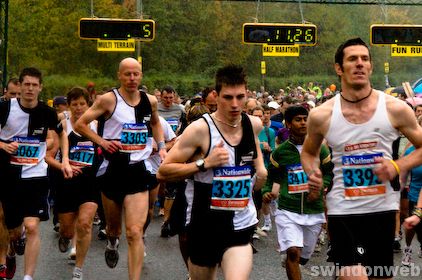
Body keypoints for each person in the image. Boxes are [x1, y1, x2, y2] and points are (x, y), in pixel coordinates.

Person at [301, 37, 422, 279]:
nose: (359, 64)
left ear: (370, 66)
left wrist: (398, 165)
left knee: (379, 275)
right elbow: (308, 152)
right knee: (353, 275)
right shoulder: (321, 115)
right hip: (342, 209)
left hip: (383, 209)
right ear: (339, 68)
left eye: (364, 59)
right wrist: (312, 172)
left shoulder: (394, 108)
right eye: (352, 59)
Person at [157, 65, 267, 280]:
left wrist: (261, 170)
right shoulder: (200, 130)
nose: (235, 104)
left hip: (241, 222)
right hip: (204, 223)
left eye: (240, 97)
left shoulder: (253, 124)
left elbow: (255, 152)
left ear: (247, 94)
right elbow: (163, 172)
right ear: (216, 95)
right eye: (228, 97)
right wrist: (204, 163)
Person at [75, 57, 166, 280]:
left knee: (135, 231)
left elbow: (155, 123)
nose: (132, 78)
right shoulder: (108, 100)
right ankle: (112, 242)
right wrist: (102, 142)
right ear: (119, 76)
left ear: (141, 75)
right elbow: (80, 125)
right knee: (114, 228)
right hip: (112, 169)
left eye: (136, 74)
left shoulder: (150, 101)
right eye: (127, 74)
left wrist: (161, 146)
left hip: (138, 168)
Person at [0, 67, 72, 280]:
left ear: (40, 88)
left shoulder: (47, 113)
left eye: (34, 85)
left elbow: (63, 135)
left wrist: (65, 159)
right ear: (20, 86)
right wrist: (3, 146)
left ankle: (28, 277)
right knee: (12, 229)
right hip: (7, 175)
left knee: (32, 226)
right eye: (26, 84)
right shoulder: (4, 108)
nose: (30, 89)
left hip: (36, 175)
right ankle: (13, 247)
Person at [262, 105, 333, 280]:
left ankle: (289, 259)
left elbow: (330, 174)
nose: (303, 123)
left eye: (305, 119)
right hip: (288, 209)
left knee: (301, 258)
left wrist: (321, 186)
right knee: (293, 252)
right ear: (288, 124)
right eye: (298, 120)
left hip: (313, 210)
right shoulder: (280, 152)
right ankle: (289, 255)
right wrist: (266, 192)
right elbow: (271, 177)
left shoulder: (320, 149)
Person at [46, 87, 99, 280]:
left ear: (88, 105)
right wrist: (63, 166)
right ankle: (65, 236)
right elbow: (48, 157)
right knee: (68, 228)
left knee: (85, 223)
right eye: (74, 104)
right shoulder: (63, 126)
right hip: (66, 182)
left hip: (89, 182)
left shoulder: (96, 125)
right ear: (68, 106)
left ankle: (79, 269)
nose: (78, 108)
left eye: (82, 104)